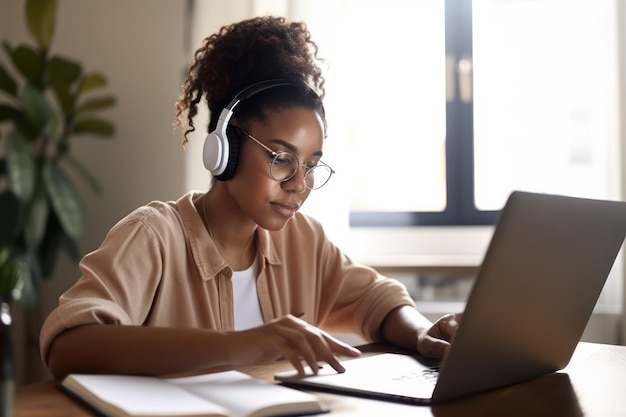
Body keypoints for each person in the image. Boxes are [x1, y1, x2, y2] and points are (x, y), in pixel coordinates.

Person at [39, 15, 460, 380]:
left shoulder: (303, 241)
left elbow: (376, 300)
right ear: (225, 148)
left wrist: (420, 333)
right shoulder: (154, 237)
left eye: (312, 164)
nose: (299, 183)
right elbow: (68, 346)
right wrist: (239, 345)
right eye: (281, 158)